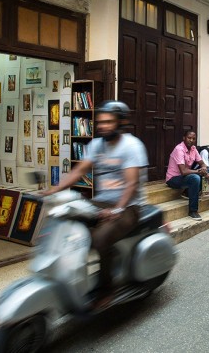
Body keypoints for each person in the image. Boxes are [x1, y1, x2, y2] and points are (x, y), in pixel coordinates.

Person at [43, 100, 148, 309]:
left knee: (100, 238)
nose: (103, 126)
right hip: (101, 203)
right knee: (67, 222)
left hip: (129, 206)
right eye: (101, 122)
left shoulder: (131, 146)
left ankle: (107, 288)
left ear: (120, 123)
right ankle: (71, 279)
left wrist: (118, 209)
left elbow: (132, 184)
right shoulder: (95, 145)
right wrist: (54, 190)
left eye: (109, 122)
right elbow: (79, 171)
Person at [166, 130, 209, 221]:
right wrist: (199, 171)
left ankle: (189, 192)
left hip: (185, 177)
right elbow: (183, 171)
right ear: (184, 138)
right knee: (195, 178)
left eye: (193, 139)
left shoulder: (193, 149)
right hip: (174, 179)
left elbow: (202, 163)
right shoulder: (179, 149)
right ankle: (193, 211)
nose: (191, 140)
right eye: (189, 138)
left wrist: (205, 169)